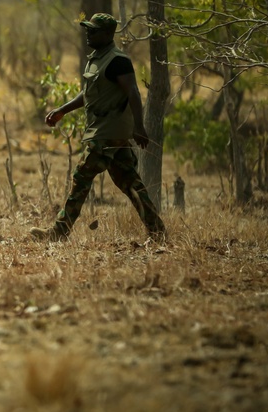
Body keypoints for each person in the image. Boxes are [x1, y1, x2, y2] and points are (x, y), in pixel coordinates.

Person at [30, 13, 166, 242]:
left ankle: (60, 231)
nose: (88, 33)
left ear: (107, 34)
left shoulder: (117, 60)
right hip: (103, 130)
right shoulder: (97, 58)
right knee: (130, 183)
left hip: (108, 133)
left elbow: (133, 91)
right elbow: (91, 92)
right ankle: (158, 232)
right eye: (87, 29)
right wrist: (63, 110)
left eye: (93, 30)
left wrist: (139, 126)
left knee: (82, 175)